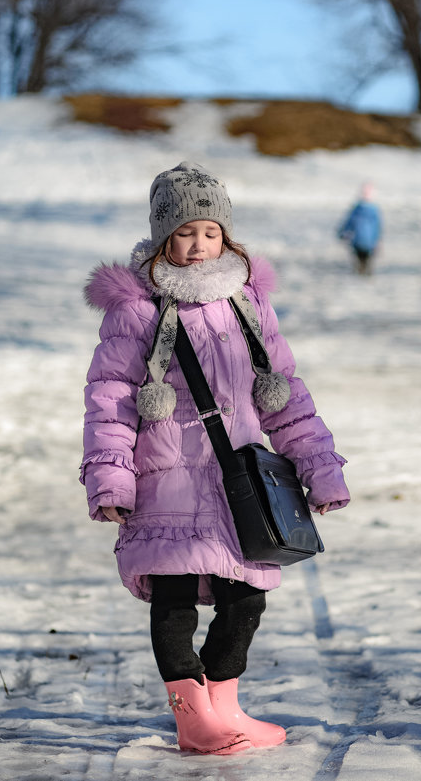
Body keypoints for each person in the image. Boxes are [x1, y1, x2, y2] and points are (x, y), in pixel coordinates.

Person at [80, 161, 350, 755]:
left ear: (226, 236)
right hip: (166, 483)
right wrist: (110, 480)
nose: (199, 244)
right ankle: (190, 717)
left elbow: (285, 395)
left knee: (245, 598)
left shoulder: (248, 306)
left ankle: (223, 704)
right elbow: (110, 403)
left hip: (238, 487)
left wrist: (319, 468)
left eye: (210, 231)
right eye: (184, 232)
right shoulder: (137, 312)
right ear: (161, 238)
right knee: (174, 600)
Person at [338, 182, 382, 275]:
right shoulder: (357, 209)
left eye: (368, 193)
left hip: (368, 242)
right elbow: (349, 222)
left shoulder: (374, 210)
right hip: (358, 241)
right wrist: (342, 232)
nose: (366, 195)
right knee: (359, 260)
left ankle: (366, 275)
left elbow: (377, 228)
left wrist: (377, 241)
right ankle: (361, 274)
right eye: (365, 193)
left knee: (367, 261)